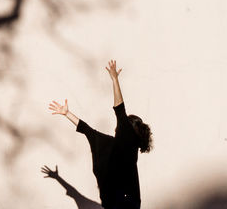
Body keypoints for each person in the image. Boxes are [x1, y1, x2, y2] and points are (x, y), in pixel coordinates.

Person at [47, 60, 153, 209]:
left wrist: (115, 80)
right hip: (118, 203)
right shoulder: (110, 144)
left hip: (126, 203)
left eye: (122, 126)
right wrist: (67, 113)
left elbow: (120, 110)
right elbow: (87, 130)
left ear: (128, 131)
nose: (117, 127)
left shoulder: (128, 145)